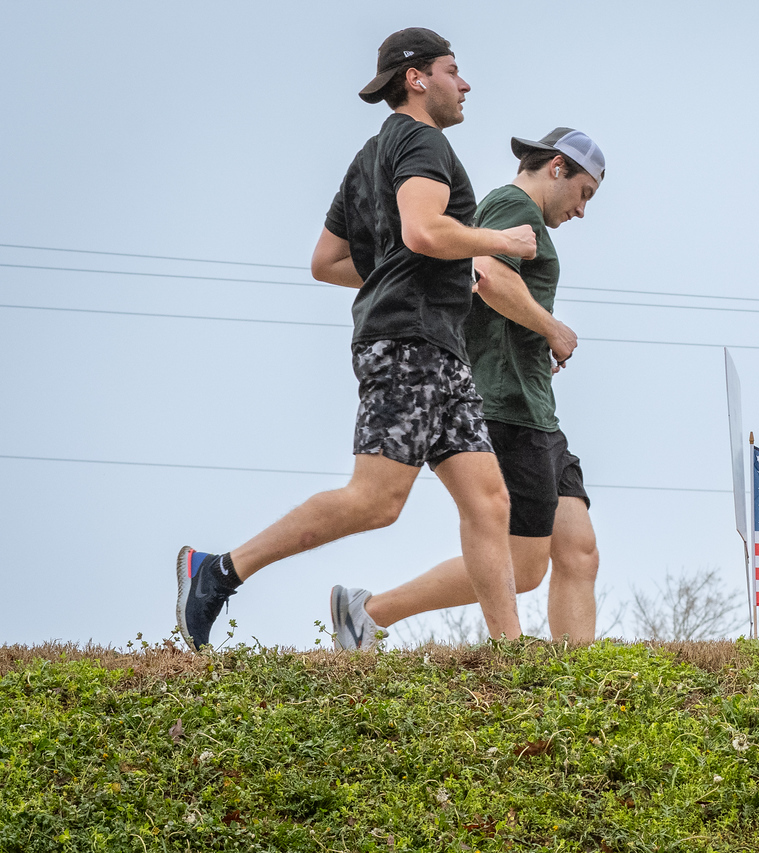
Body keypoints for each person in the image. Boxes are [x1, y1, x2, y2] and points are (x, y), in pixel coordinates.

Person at [175, 27, 537, 651]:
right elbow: (424, 231)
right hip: (409, 343)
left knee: (488, 499)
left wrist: (405, 275)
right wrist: (500, 242)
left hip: (435, 345)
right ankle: (218, 569)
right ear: (417, 78)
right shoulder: (422, 141)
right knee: (376, 500)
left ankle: (511, 654)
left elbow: (326, 260)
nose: (466, 83)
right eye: (454, 70)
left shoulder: (371, 155)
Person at [329, 128, 606, 648]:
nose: (582, 210)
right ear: (557, 168)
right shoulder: (509, 204)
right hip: (503, 405)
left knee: (578, 548)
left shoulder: (525, 219)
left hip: (535, 406)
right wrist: (551, 328)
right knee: (523, 567)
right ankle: (368, 613)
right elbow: (486, 273)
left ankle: (579, 675)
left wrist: (534, 340)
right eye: (584, 193)